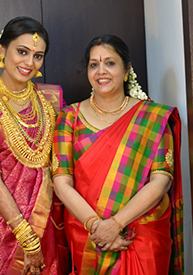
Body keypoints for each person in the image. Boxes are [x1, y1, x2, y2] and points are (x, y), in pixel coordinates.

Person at [52, 35, 184, 274]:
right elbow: (61, 183)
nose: (101, 71)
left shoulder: (153, 118)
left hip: (141, 235)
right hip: (90, 238)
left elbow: (161, 180)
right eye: (94, 64)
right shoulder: (69, 118)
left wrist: (116, 224)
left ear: (126, 70)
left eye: (110, 63)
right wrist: (97, 227)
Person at [0, 16, 68, 275]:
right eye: (22, 52)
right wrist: (26, 236)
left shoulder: (51, 98)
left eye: (38, 56)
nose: (29, 63)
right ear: (2, 50)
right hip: (8, 226)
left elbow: (69, 154)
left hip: (53, 218)